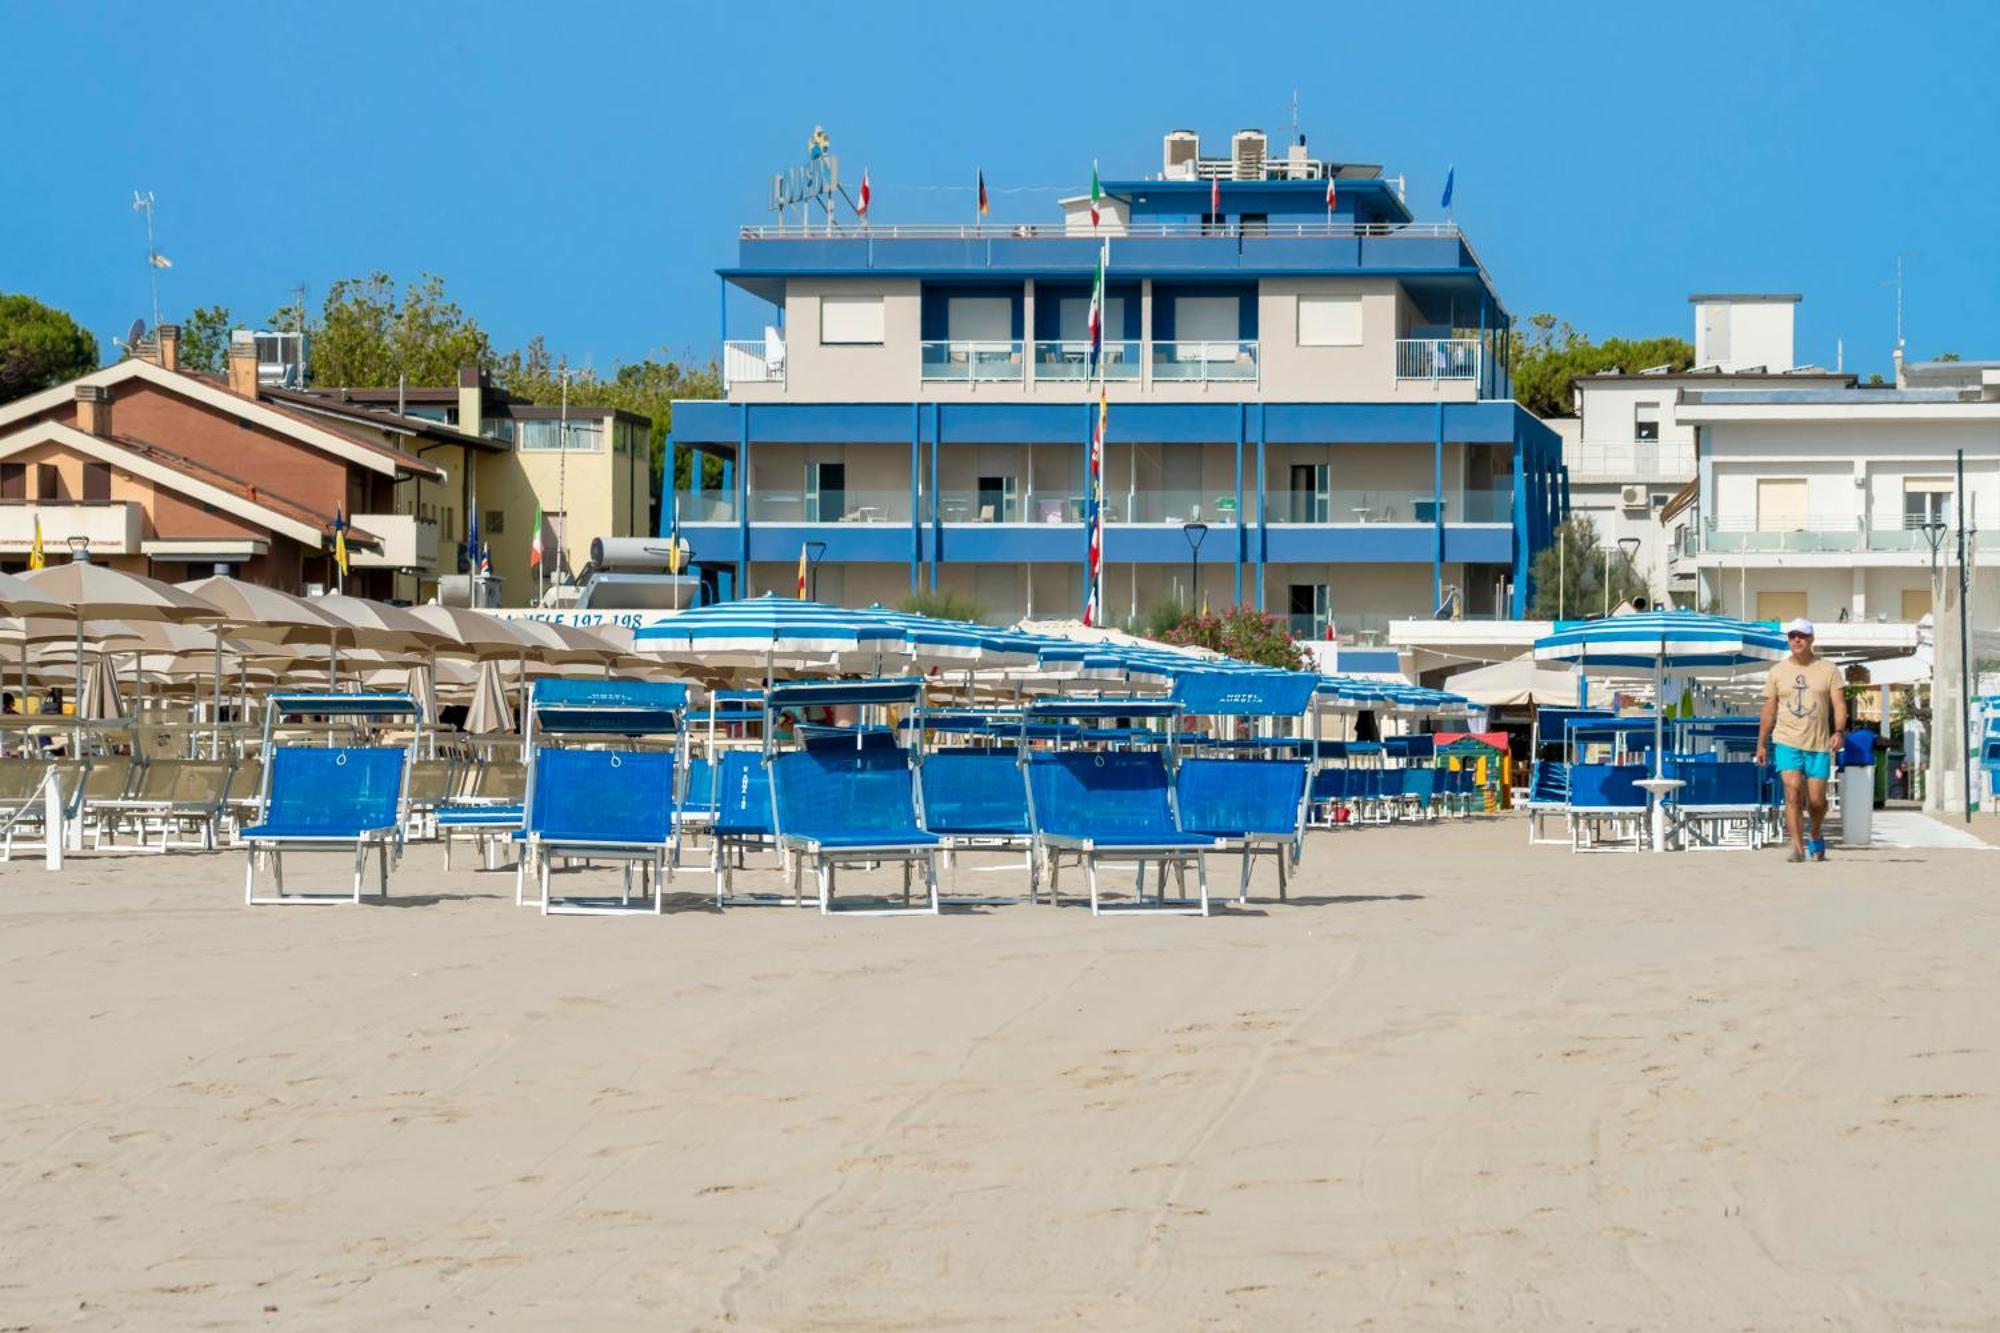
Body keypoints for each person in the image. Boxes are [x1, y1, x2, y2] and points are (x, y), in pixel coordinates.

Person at [1754, 618, 1847, 863]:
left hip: (1818, 744)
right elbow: (1769, 709)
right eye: (1792, 635)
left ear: (1811, 639)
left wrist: (1839, 731)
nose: (1797, 640)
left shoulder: (1828, 669)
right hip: (1786, 740)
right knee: (1793, 792)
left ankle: (1815, 833)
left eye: (1802, 636)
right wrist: (1761, 743)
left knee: (1817, 801)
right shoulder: (1777, 671)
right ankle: (1797, 847)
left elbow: (1838, 703)